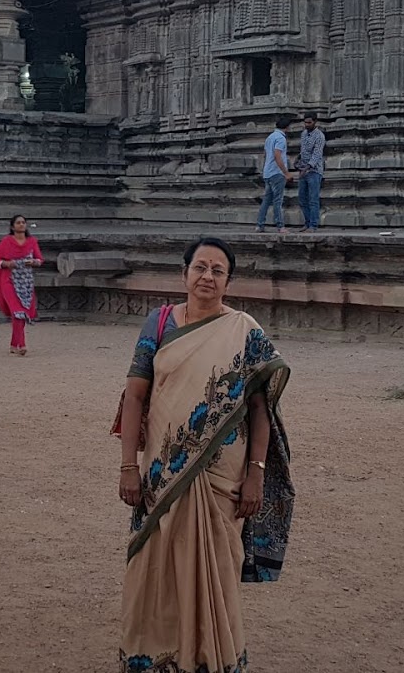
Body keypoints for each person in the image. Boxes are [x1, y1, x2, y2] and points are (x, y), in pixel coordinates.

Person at [116, 237, 294, 673]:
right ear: (184, 274)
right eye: (200, 267)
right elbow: (134, 397)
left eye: (218, 270)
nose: (207, 276)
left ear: (228, 281)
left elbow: (259, 410)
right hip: (160, 471)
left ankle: (213, 658)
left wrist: (254, 474)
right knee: (154, 566)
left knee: (216, 566)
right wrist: (127, 467)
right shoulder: (157, 324)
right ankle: (153, 657)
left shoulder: (244, 332)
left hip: (223, 477)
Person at [0, 214, 43, 355]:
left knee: (22, 313)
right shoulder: (6, 242)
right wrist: (6, 263)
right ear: (12, 226)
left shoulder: (32, 241)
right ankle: (22, 344)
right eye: (18, 223)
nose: (21, 225)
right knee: (17, 312)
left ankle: (14, 344)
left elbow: (39, 259)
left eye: (23, 222)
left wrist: (34, 262)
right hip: (9, 281)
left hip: (26, 282)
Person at [256, 116, 294, 233]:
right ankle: (280, 226)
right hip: (276, 173)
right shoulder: (281, 138)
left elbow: (266, 155)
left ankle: (260, 224)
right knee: (278, 200)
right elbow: (277, 155)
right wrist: (286, 173)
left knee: (266, 200)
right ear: (287, 127)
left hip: (268, 172)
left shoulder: (270, 137)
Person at [297, 113, 326, 232]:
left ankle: (313, 225)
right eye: (305, 122)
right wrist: (298, 160)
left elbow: (317, 154)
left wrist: (307, 168)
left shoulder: (319, 136)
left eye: (309, 122)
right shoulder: (303, 134)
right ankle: (307, 222)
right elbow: (303, 150)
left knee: (313, 199)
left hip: (314, 171)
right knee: (302, 198)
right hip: (303, 170)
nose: (307, 124)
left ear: (315, 122)